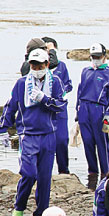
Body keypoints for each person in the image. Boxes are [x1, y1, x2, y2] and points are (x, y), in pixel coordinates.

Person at [0, 48, 66, 216]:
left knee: (44, 177)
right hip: (28, 135)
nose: (36, 69)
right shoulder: (22, 84)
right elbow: (11, 106)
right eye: (33, 65)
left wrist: (44, 98)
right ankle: (19, 207)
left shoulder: (56, 82)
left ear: (46, 64)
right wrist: (3, 128)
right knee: (28, 174)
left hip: (48, 135)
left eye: (39, 65)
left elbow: (60, 105)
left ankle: (40, 214)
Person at [76, 43, 109, 183]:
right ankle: (92, 174)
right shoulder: (85, 71)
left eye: (98, 56)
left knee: (102, 143)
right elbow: (79, 91)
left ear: (104, 56)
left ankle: (106, 174)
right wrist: (78, 110)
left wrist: (108, 112)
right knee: (87, 142)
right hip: (84, 109)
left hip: (99, 110)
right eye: (94, 57)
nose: (96, 59)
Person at [41, 36, 74, 175]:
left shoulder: (61, 66)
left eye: (51, 49)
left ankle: (64, 171)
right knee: (45, 144)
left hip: (60, 111)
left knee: (61, 141)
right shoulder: (37, 66)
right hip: (44, 110)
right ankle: (44, 172)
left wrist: (60, 92)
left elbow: (69, 85)